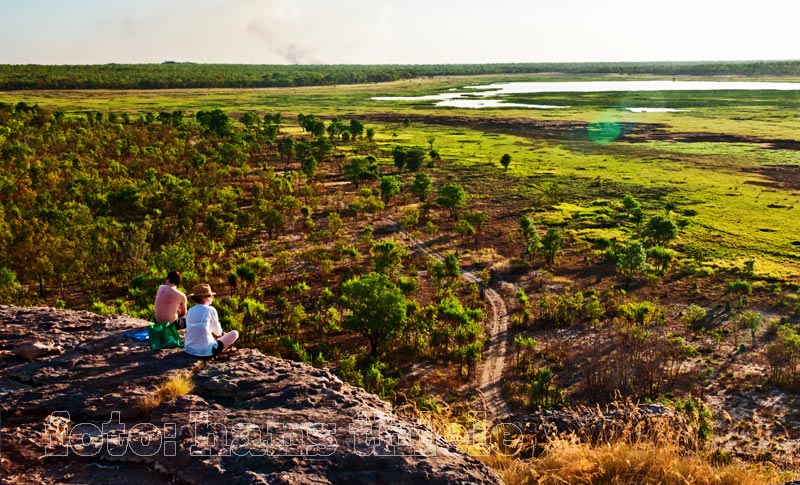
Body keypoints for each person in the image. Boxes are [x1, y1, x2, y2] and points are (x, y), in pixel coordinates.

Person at [184, 284, 239, 358]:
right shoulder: (210, 309)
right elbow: (218, 332)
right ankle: (218, 352)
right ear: (204, 298)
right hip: (206, 351)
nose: (212, 297)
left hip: (189, 349)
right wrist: (224, 335)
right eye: (210, 296)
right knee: (235, 333)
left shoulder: (190, 310)